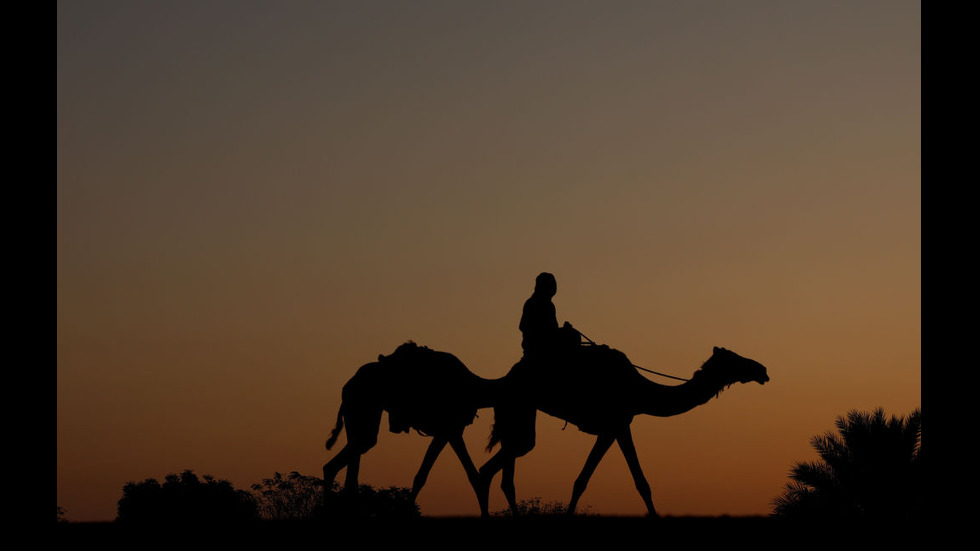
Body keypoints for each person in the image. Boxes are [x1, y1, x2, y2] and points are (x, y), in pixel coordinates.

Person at [519, 272, 580, 359]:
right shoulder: (533, 303)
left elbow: (552, 329)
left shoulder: (549, 305)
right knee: (572, 335)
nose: (551, 288)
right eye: (548, 285)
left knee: (572, 334)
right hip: (538, 344)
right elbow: (523, 326)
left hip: (547, 340)